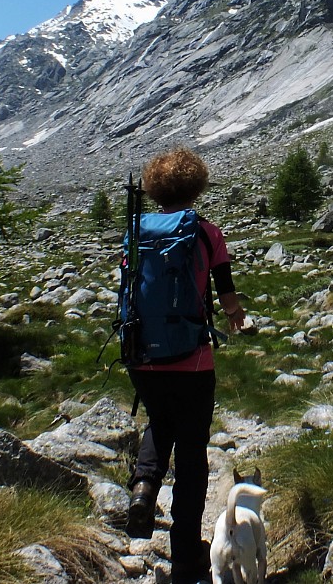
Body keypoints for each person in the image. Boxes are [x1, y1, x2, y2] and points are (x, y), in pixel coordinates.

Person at [124, 147, 247, 584]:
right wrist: (236, 317)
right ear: (196, 185)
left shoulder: (136, 231)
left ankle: (143, 489)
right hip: (193, 359)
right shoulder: (207, 233)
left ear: (156, 189)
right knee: (193, 455)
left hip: (142, 357)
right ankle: (184, 560)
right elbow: (227, 293)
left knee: (159, 421)